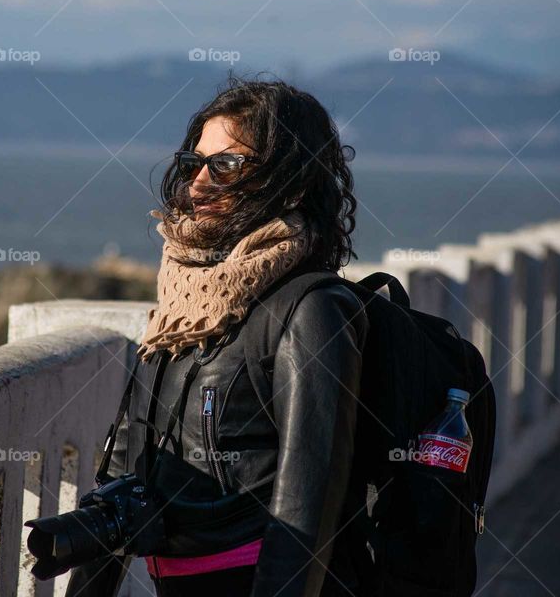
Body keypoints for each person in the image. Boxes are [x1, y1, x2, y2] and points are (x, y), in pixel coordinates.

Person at [65, 76, 368, 597]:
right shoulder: (184, 302)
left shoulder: (311, 311)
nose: (199, 183)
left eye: (226, 166)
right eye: (194, 164)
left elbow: (306, 511)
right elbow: (126, 468)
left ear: (291, 184)